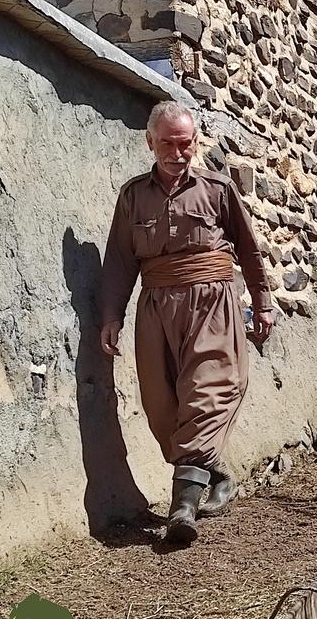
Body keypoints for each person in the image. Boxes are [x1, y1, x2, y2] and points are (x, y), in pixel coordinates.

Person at [99, 101, 275, 544]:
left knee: (207, 393)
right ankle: (213, 471)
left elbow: (249, 249)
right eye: (168, 144)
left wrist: (263, 301)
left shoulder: (218, 189)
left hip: (212, 302)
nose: (178, 153)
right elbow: (119, 261)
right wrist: (111, 316)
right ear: (150, 142)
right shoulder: (133, 196)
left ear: (196, 142)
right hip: (156, 308)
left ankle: (182, 509)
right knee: (163, 409)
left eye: (186, 144)